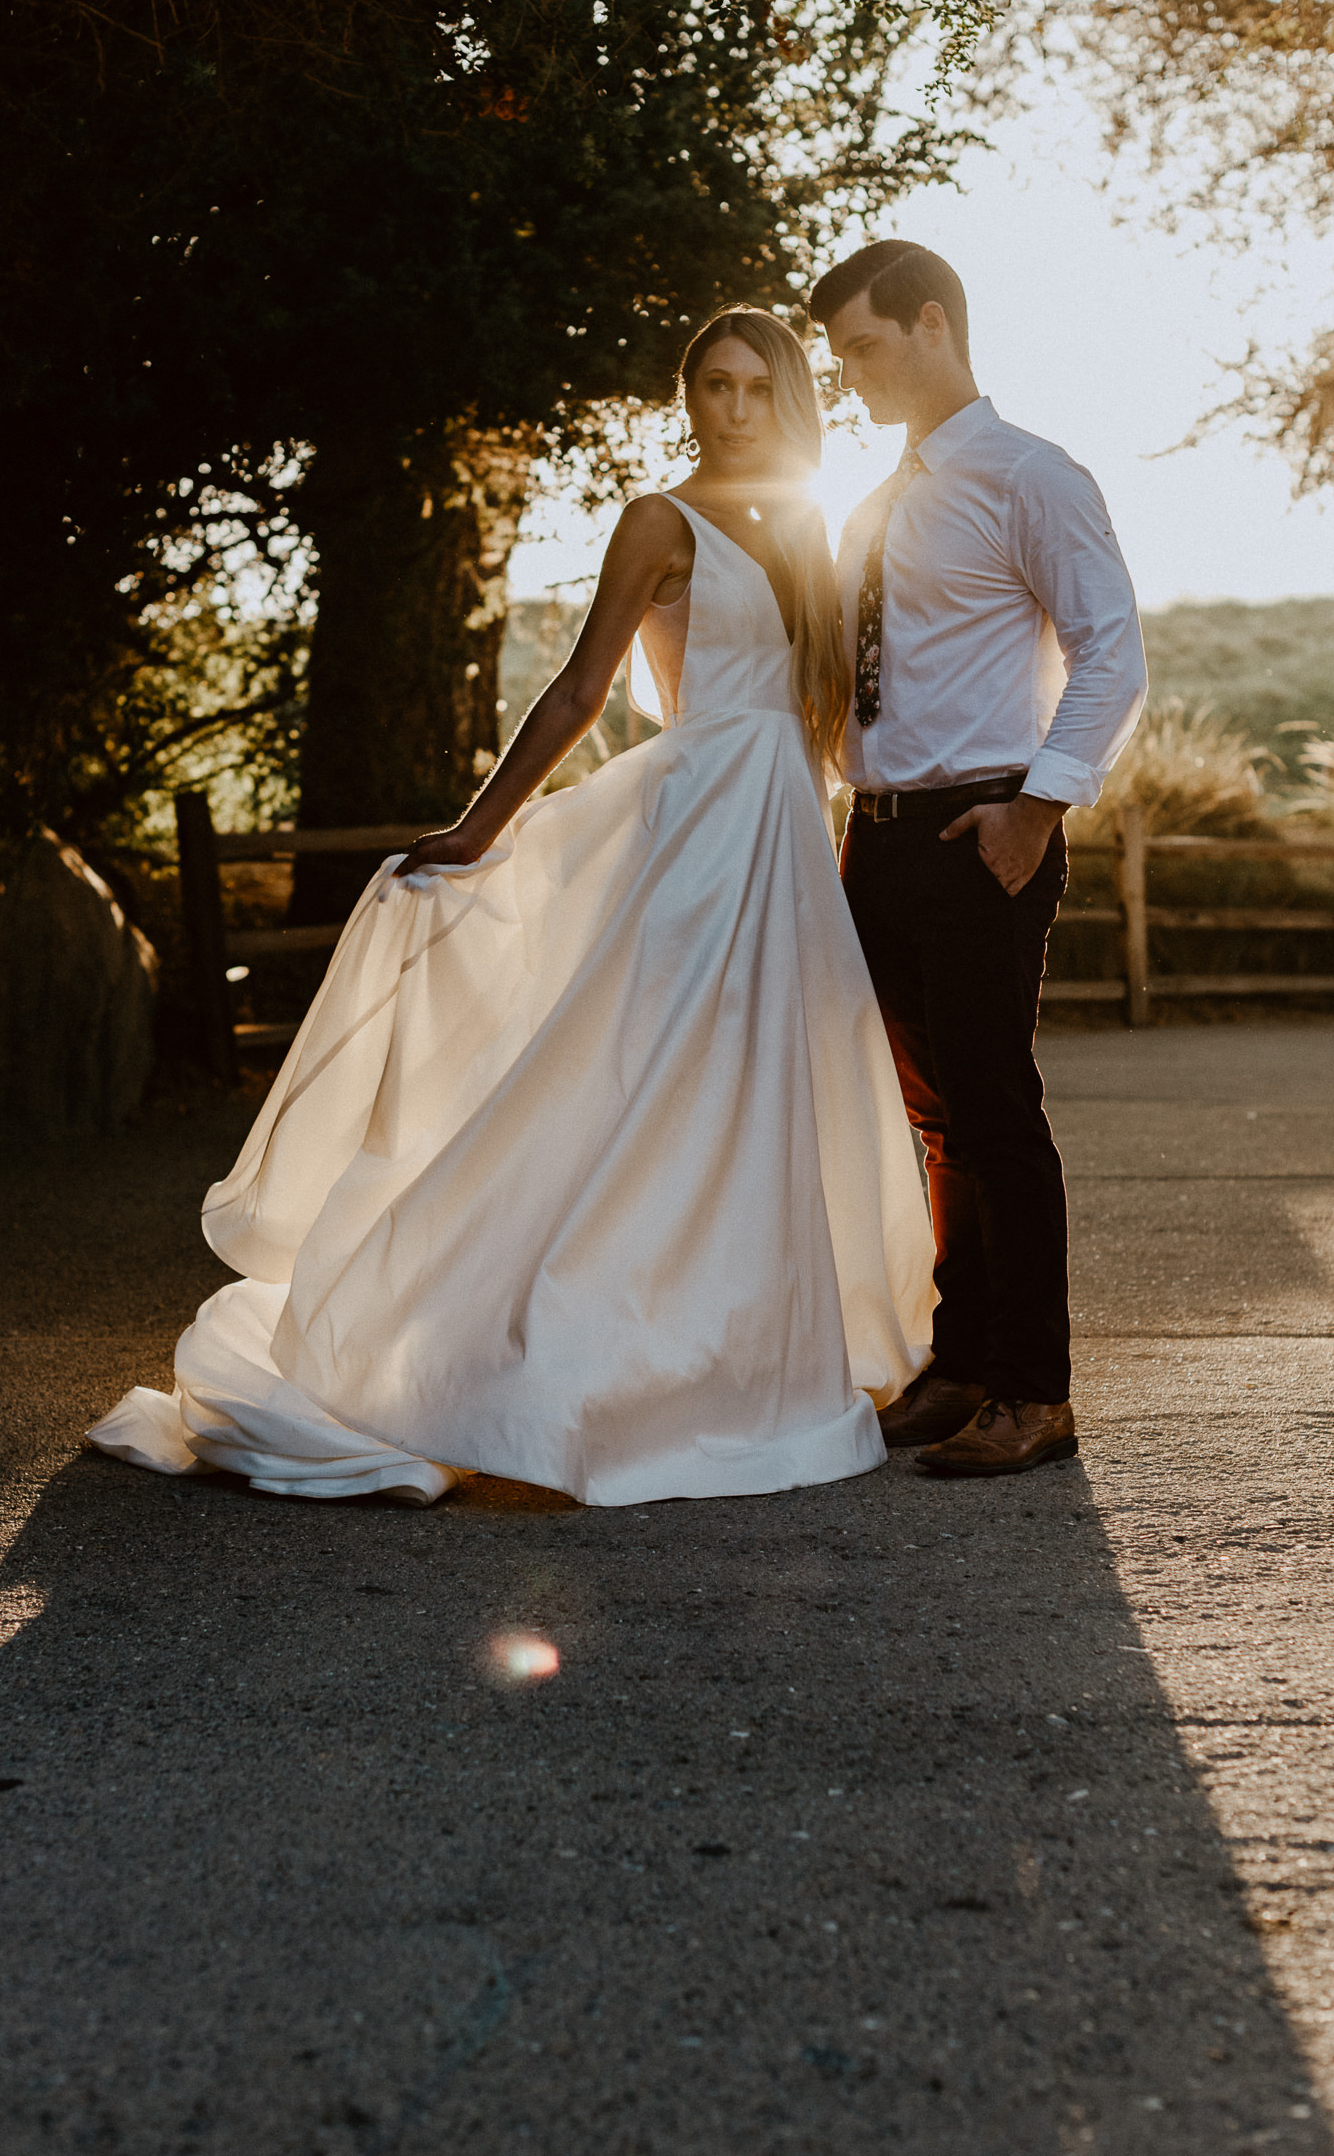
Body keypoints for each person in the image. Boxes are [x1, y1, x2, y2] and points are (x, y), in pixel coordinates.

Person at [88, 308, 934, 1509]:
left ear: (788, 399)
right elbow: (585, 686)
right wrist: (481, 827)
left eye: (757, 388)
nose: (734, 408)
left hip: (790, 833)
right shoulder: (660, 519)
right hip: (695, 831)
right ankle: (579, 1355)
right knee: (663, 1083)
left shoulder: (813, 523)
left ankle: (750, 1346)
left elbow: (837, 716)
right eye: (714, 385)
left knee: (772, 1084)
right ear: (686, 393)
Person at [808, 240, 1147, 1479]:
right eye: (838, 354)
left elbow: (1111, 650)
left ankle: (1035, 1392)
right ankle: (959, 1366)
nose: (847, 375)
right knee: (934, 1117)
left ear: (933, 323)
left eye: (863, 346)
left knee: (995, 1113)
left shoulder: (1031, 476)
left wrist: (1038, 809)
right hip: (880, 838)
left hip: (981, 830)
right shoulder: (871, 499)